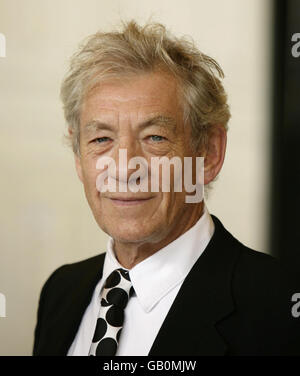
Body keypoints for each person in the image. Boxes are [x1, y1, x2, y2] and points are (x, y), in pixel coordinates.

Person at [33, 20, 299, 356]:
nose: (125, 166)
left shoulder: (278, 309)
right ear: (78, 157)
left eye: (155, 138)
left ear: (209, 153)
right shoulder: (61, 292)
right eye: (101, 139)